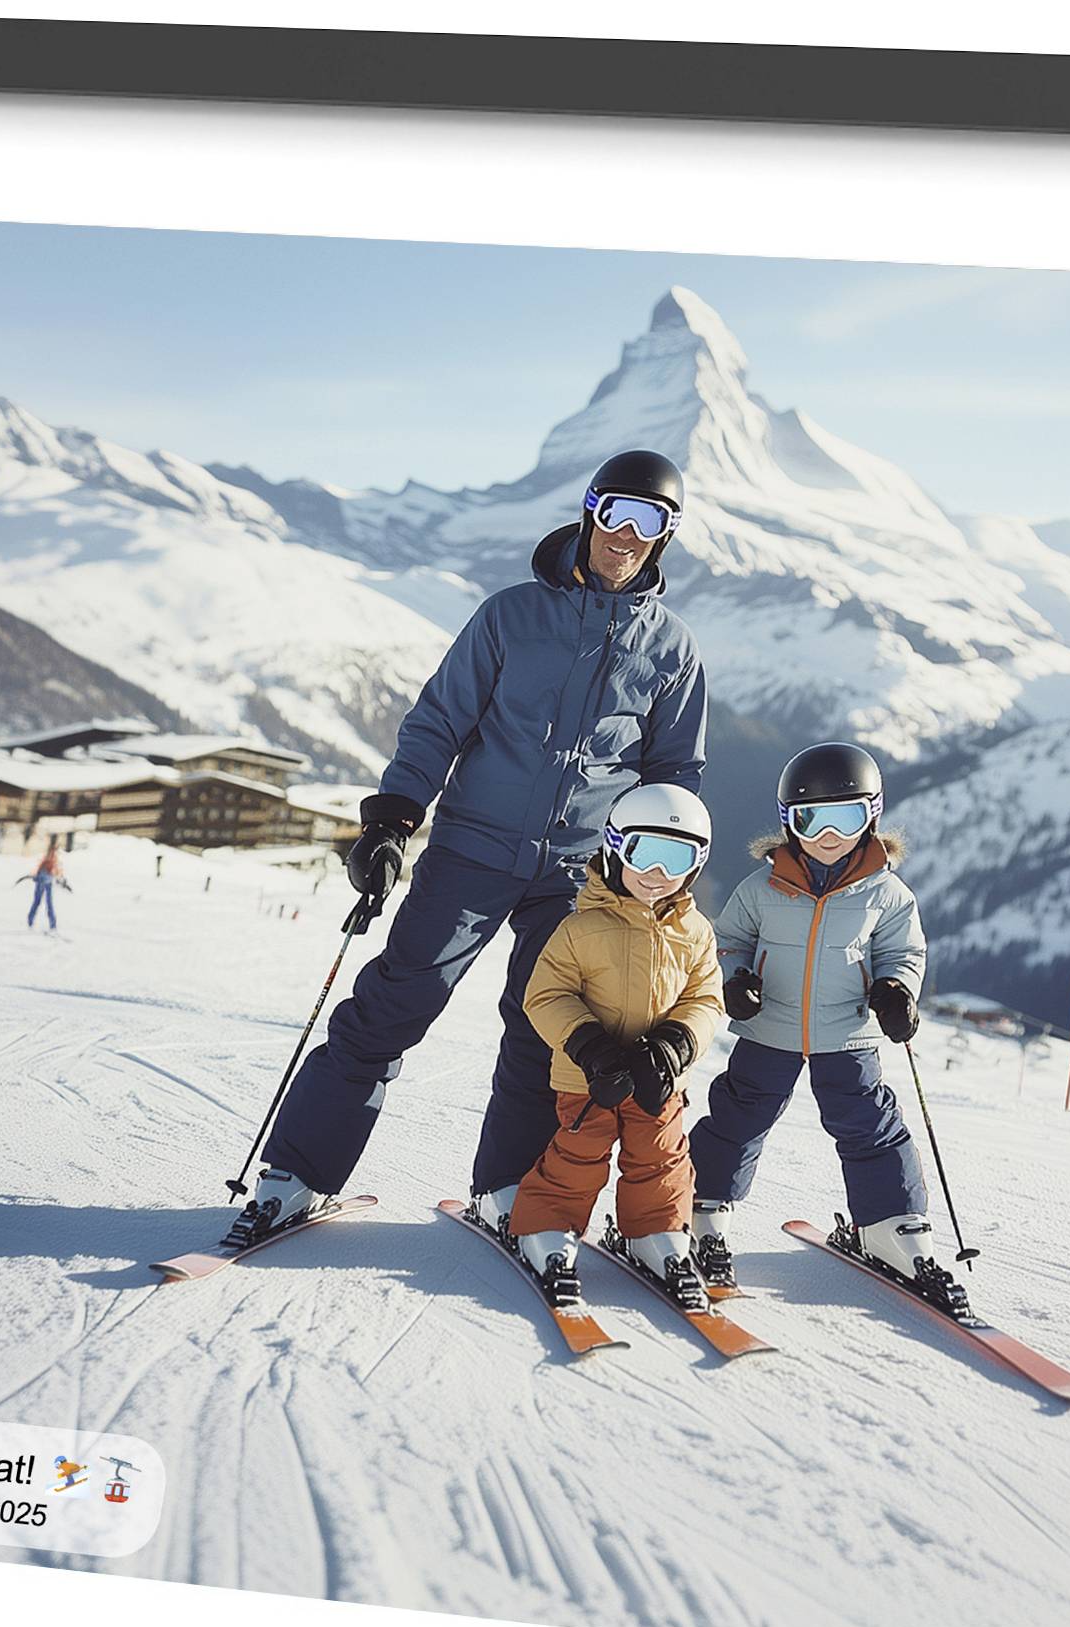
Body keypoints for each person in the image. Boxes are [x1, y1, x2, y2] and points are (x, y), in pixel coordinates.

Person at [226, 448, 709, 1242]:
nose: (626, 534)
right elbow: (440, 721)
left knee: (544, 1030)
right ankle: (297, 1176)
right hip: (472, 850)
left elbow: (674, 777)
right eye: (615, 512)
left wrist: (658, 872)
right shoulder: (510, 615)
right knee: (391, 1006)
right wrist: (391, 819)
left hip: (582, 873)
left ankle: (509, 1190)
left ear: (665, 534)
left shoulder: (673, 649)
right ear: (589, 511)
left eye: (648, 519)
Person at [684, 742, 968, 1314]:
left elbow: (903, 953)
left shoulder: (888, 894)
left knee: (871, 1125)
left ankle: (891, 1227)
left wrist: (896, 991)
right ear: (789, 821)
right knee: (737, 1118)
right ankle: (700, 1209)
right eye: (812, 819)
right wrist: (735, 982)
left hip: (848, 1033)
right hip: (769, 1027)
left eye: (847, 818)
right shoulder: (761, 888)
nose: (829, 835)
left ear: (873, 816)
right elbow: (727, 942)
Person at [509, 784, 726, 1307]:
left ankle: (658, 1234)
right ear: (613, 849)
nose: (658, 872)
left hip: (659, 1079)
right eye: (643, 852)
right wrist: (589, 1047)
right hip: (590, 1077)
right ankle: (548, 1230)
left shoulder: (696, 932)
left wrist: (676, 1045)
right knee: (578, 1154)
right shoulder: (579, 927)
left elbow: (706, 999)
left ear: (697, 865)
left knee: (662, 1157)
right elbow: (546, 995)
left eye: (677, 858)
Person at [25, 833, 69, 932]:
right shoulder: (51, 854)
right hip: (43, 878)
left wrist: (60, 877)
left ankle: (50, 925)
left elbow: (55, 867)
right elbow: (50, 866)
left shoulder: (54, 855)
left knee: (45, 902)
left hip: (47, 878)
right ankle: (36, 923)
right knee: (41, 902)